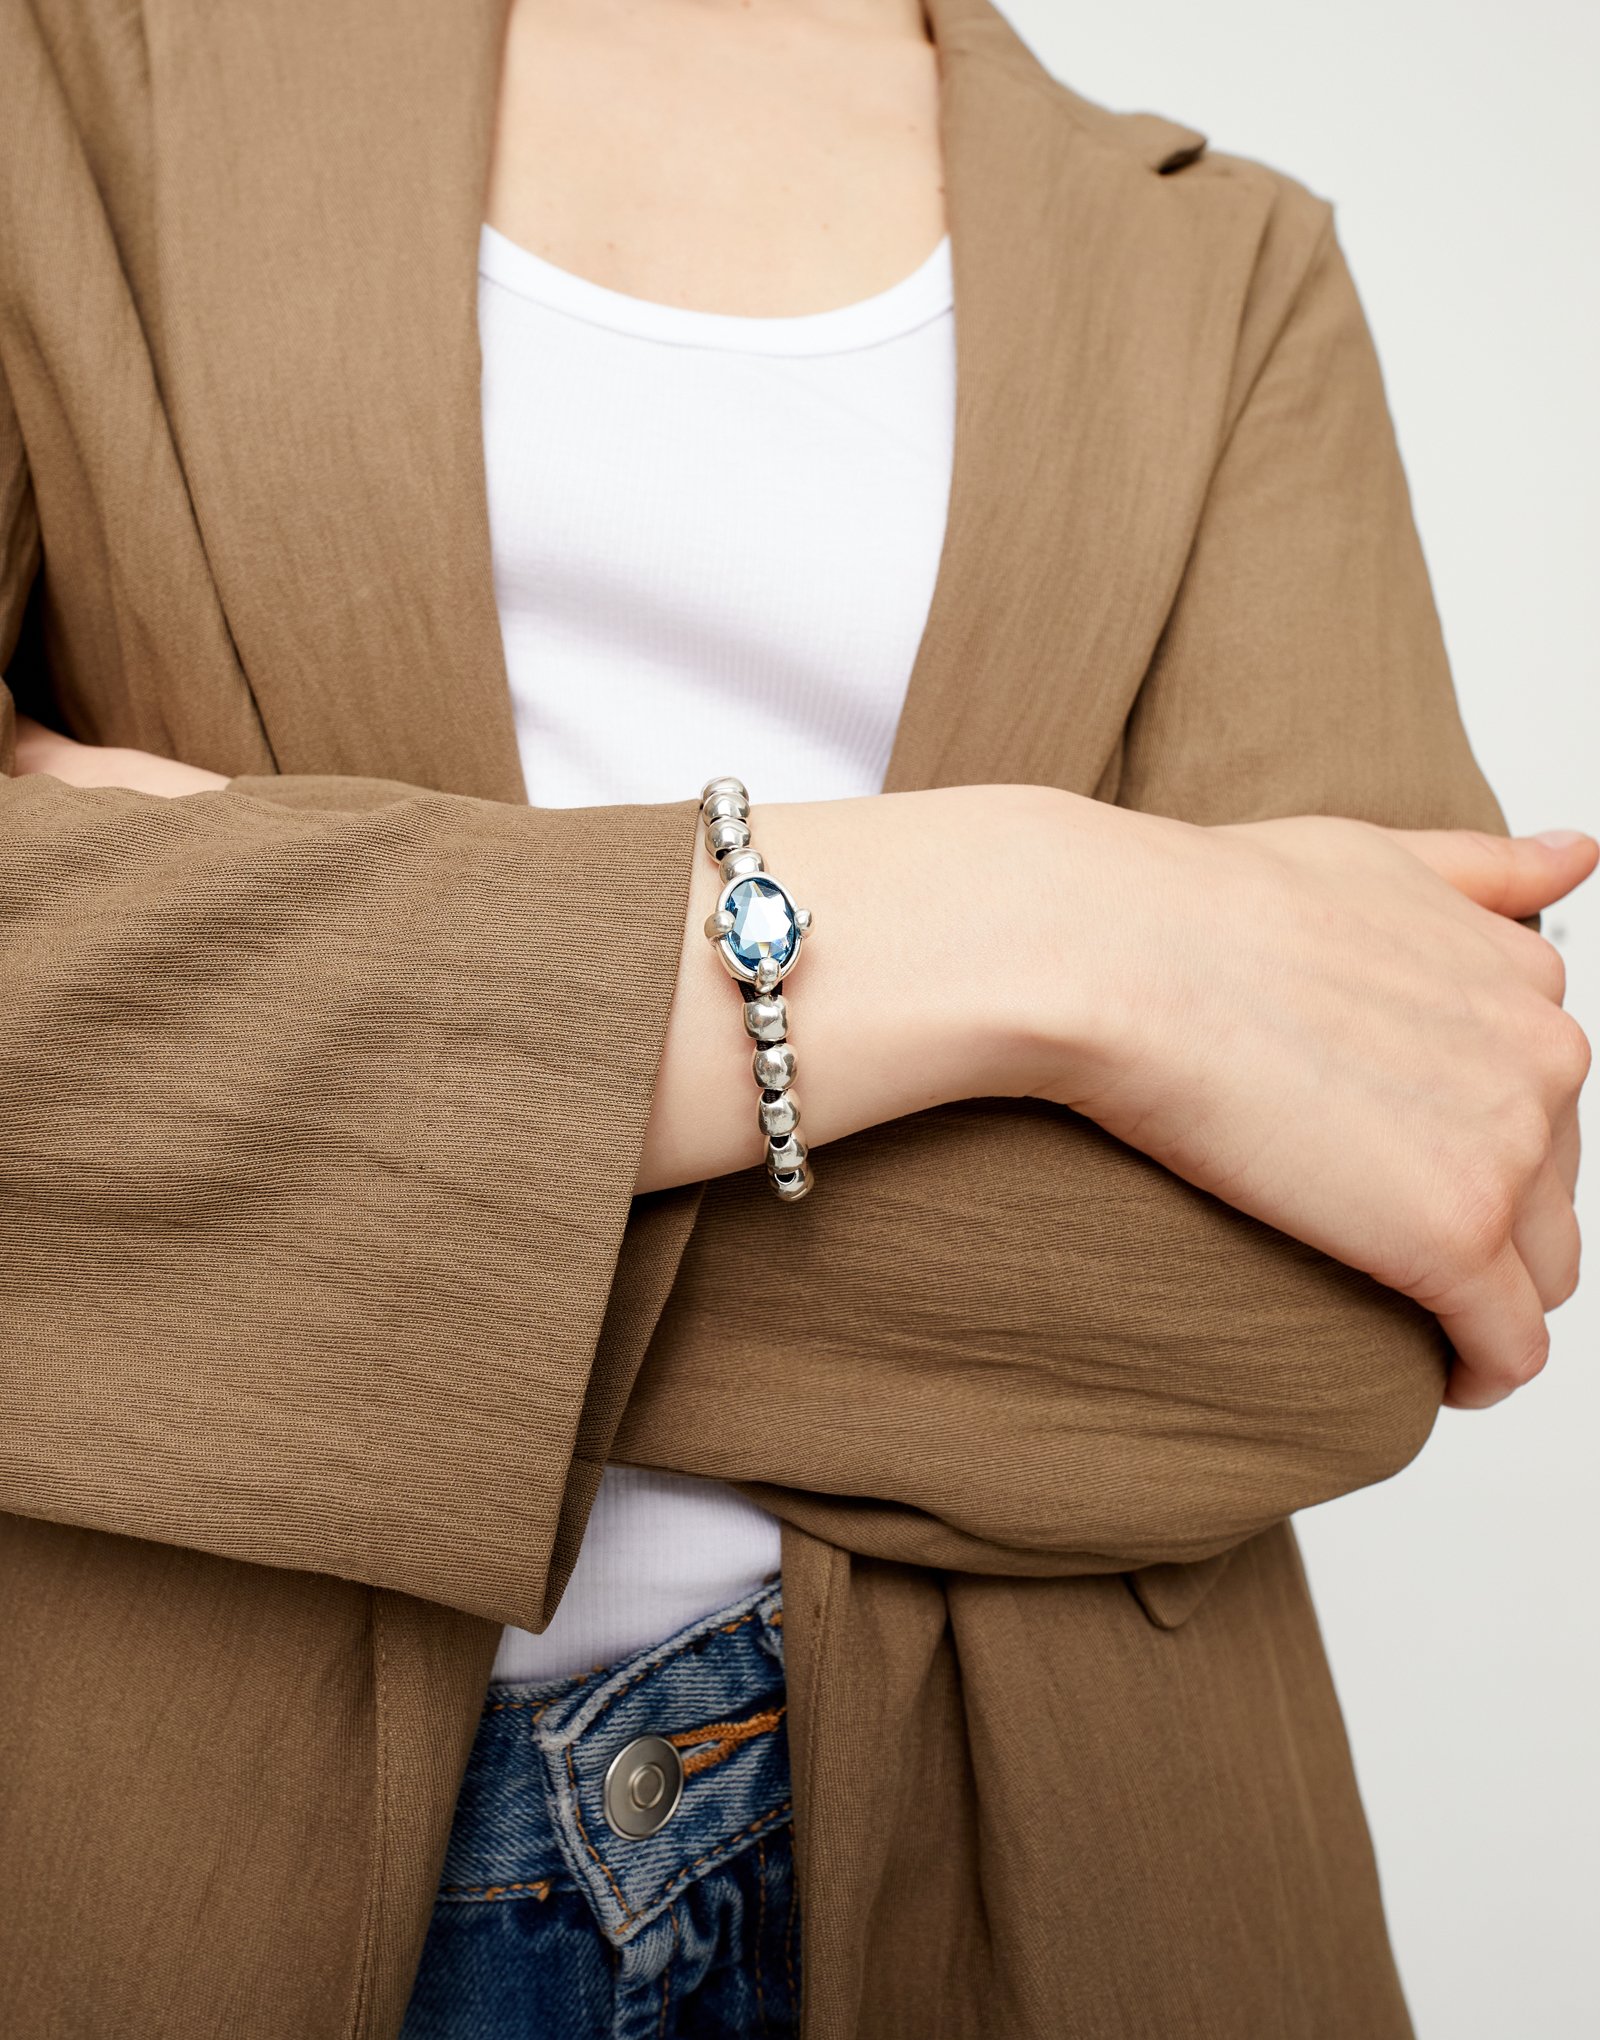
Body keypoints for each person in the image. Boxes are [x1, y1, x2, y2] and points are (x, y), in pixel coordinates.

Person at [0, 0, 1589, 2034]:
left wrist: (252, 1043)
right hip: (135, 1843)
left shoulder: (1223, 263)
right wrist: (1059, 924)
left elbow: (1338, 1304)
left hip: (1063, 1862)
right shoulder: (64, 69)